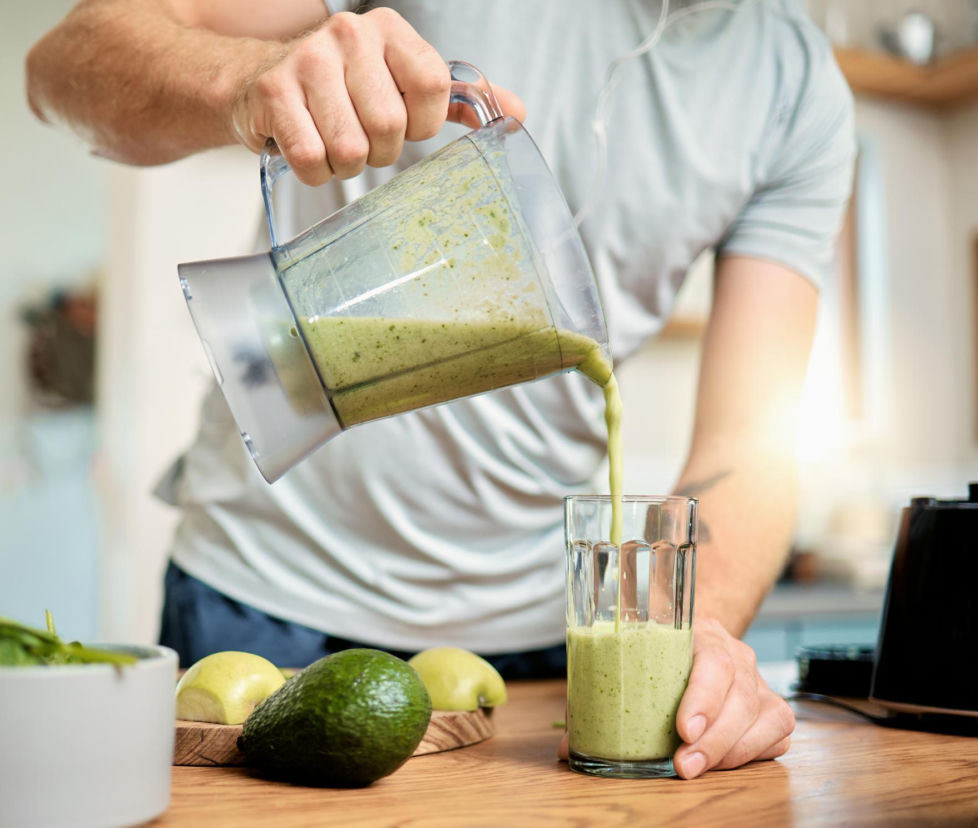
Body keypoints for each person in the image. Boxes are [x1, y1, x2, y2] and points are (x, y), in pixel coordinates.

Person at [27, 0, 854, 780]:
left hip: (541, 648)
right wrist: (247, 79)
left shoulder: (794, 86)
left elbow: (751, 443)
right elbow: (61, 68)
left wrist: (694, 636)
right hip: (265, 598)